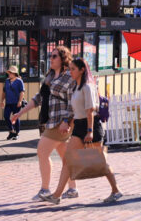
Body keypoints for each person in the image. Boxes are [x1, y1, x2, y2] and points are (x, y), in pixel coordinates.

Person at [41, 59, 122, 204]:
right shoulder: (76, 87)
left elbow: (89, 110)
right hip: (78, 126)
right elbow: (75, 110)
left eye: (73, 69)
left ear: (82, 70)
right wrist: (68, 123)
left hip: (91, 126)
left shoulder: (87, 87)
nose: (70, 71)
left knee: (101, 162)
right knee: (68, 159)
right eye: (70, 69)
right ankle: (56, 195)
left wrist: (90, 131)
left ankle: (116, 190)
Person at [11, 46, 78, 201]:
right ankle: (72, 189)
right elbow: (38, 98)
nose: (51, 58)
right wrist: (20, 113)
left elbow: (73, 101)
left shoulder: (68, 76)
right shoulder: (49, 77)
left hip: (61, 122)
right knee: (65, 157)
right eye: (50, 55)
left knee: (42, 151)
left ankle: (45, 190)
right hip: (51, 120)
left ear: (63, 59)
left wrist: (67, 121)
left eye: (54, 56)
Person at [2, 65, 25, 140]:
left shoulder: (19, 81)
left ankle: (17, 133)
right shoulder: (7, 81)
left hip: (16, 102)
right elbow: (4, 92)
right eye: (9, 72)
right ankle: (11, 131)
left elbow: (22, 92)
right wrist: (2, 101)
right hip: (8, 102)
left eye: (11, 73)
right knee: (6, 116)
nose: (9, 74)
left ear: (14, 73)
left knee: (15, 117)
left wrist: (20, 101)